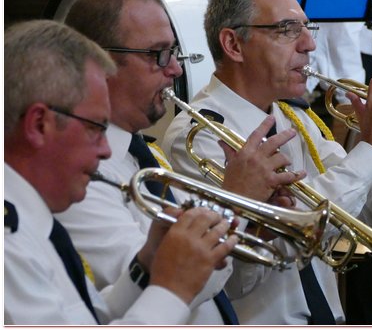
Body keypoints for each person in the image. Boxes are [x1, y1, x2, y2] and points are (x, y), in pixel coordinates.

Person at [161, 0, 372, 325]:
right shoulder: (196, 135)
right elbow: (256, 261)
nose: (309, 45)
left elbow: (363, 219)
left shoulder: (294, 118)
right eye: (288, 29)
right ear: (234, 44)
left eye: (307, 28)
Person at [55, 0, 298, 325]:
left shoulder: (150, 158)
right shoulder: (82, 175)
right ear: (99, 63)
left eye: (174, 54)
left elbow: (221, 286)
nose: (176, 70)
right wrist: (235, 201)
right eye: (158, 54)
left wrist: (252, 230)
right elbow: (169, 287)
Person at [4, 19, 236, 325]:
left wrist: (147, 265)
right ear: (39, 125)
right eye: (96, 128)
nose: (106, 150)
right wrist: (171, 288)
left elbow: (87, 319)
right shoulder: (9, 244)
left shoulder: (32, 222)